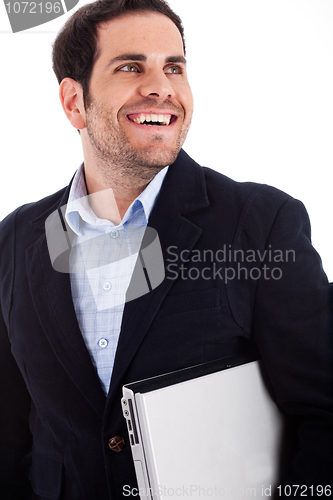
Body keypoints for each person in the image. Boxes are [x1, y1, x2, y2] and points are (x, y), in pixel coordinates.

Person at [0, 0, 332, 498]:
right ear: (74, 102)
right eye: (131, 66)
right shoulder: (15, 238)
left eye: (173, 67)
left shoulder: (260, 223)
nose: (163, 87)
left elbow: (324, 412)